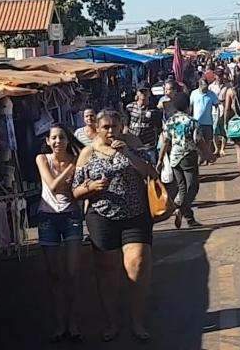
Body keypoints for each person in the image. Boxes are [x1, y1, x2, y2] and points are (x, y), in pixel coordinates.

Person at [72, 110, 158, 343]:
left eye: (115, 127)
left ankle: (137, 321)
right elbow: (76, 190)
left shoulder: (132, 145)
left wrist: (127, 153)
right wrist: (92, 188)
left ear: (122, 127)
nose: (111, 131)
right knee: (107, 271)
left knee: (138, 264)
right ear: (97, 129)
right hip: (102, 216)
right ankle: (112, 322)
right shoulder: (87, 153)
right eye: (106, 127)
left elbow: (151, 172)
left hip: (135, 214)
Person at [35, 124, 84, 343]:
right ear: (47, 141)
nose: (57, 142)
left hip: (71, 217)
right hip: (48, 218)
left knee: (72, 273)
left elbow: (77, 189)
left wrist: (74, 166)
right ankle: (59, 322)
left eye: (62, 137)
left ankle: (73, 321)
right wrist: (71, 166)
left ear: (67, 140)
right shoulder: (42, 159)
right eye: (54, 138)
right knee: (54, 274)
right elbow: (54, 186)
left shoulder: (78, 159)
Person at [157, 93, 214, 229]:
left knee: (182, 188)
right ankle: (179, 208)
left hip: (174, 158)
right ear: (188, 106)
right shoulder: (192, 121)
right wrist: (208, 154)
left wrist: (160, 159)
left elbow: (165, 142)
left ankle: (189, 218)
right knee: (193, 187)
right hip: (188, 156)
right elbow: (199, 141)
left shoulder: (170, 122)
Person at [124, 85, 160, 164]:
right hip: (133, 144)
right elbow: (126, 124)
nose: (143, 94)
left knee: (151, 167)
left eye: (146, 91)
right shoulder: (129, 107)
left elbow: (158, 127)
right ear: (137, 93)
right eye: (141, 92)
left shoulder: (154, 109)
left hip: (148, 145)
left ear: (149, 93)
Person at [189, 78, 219, 163]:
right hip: (196, 122)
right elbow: (190, 106)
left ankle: (207, 157)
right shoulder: (194, 93)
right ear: (199, 86)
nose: (206, 89)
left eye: (207, 87)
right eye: (204, 87)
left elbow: (216, 105)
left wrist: (216, 117)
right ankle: (201, 156)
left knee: (208, 141)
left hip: (208, 122)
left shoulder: (211, 94)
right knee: (197, 141)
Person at [209, 68, 230, 157]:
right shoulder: (211, 86)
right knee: (214, 131)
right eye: (218, 75)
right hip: (214, 110)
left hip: (224, 109)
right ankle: (216, 148)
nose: (219, 77)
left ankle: (222, 149)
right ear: (215, 76)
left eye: (221, 75)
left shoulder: (227, 85)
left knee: (224, 130)